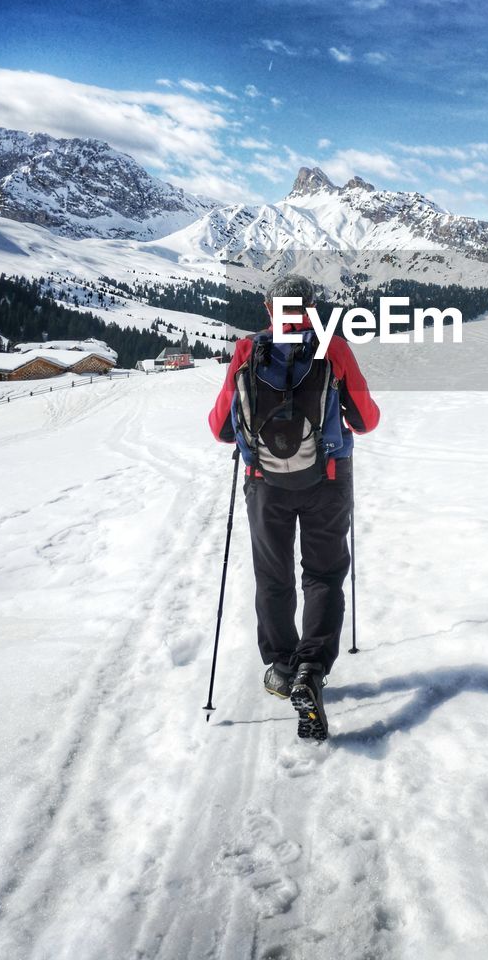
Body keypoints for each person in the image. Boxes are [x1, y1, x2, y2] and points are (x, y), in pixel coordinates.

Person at [208, 272, 380, 739]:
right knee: (323, 574)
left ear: (268, 309)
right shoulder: (334, 347)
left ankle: (283, 666)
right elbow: (367, 420)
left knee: (274, 575)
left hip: (264, 483)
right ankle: (312, 671)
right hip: (326, 479)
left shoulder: (248, 350)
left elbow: (221, 427)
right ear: (311, 306)